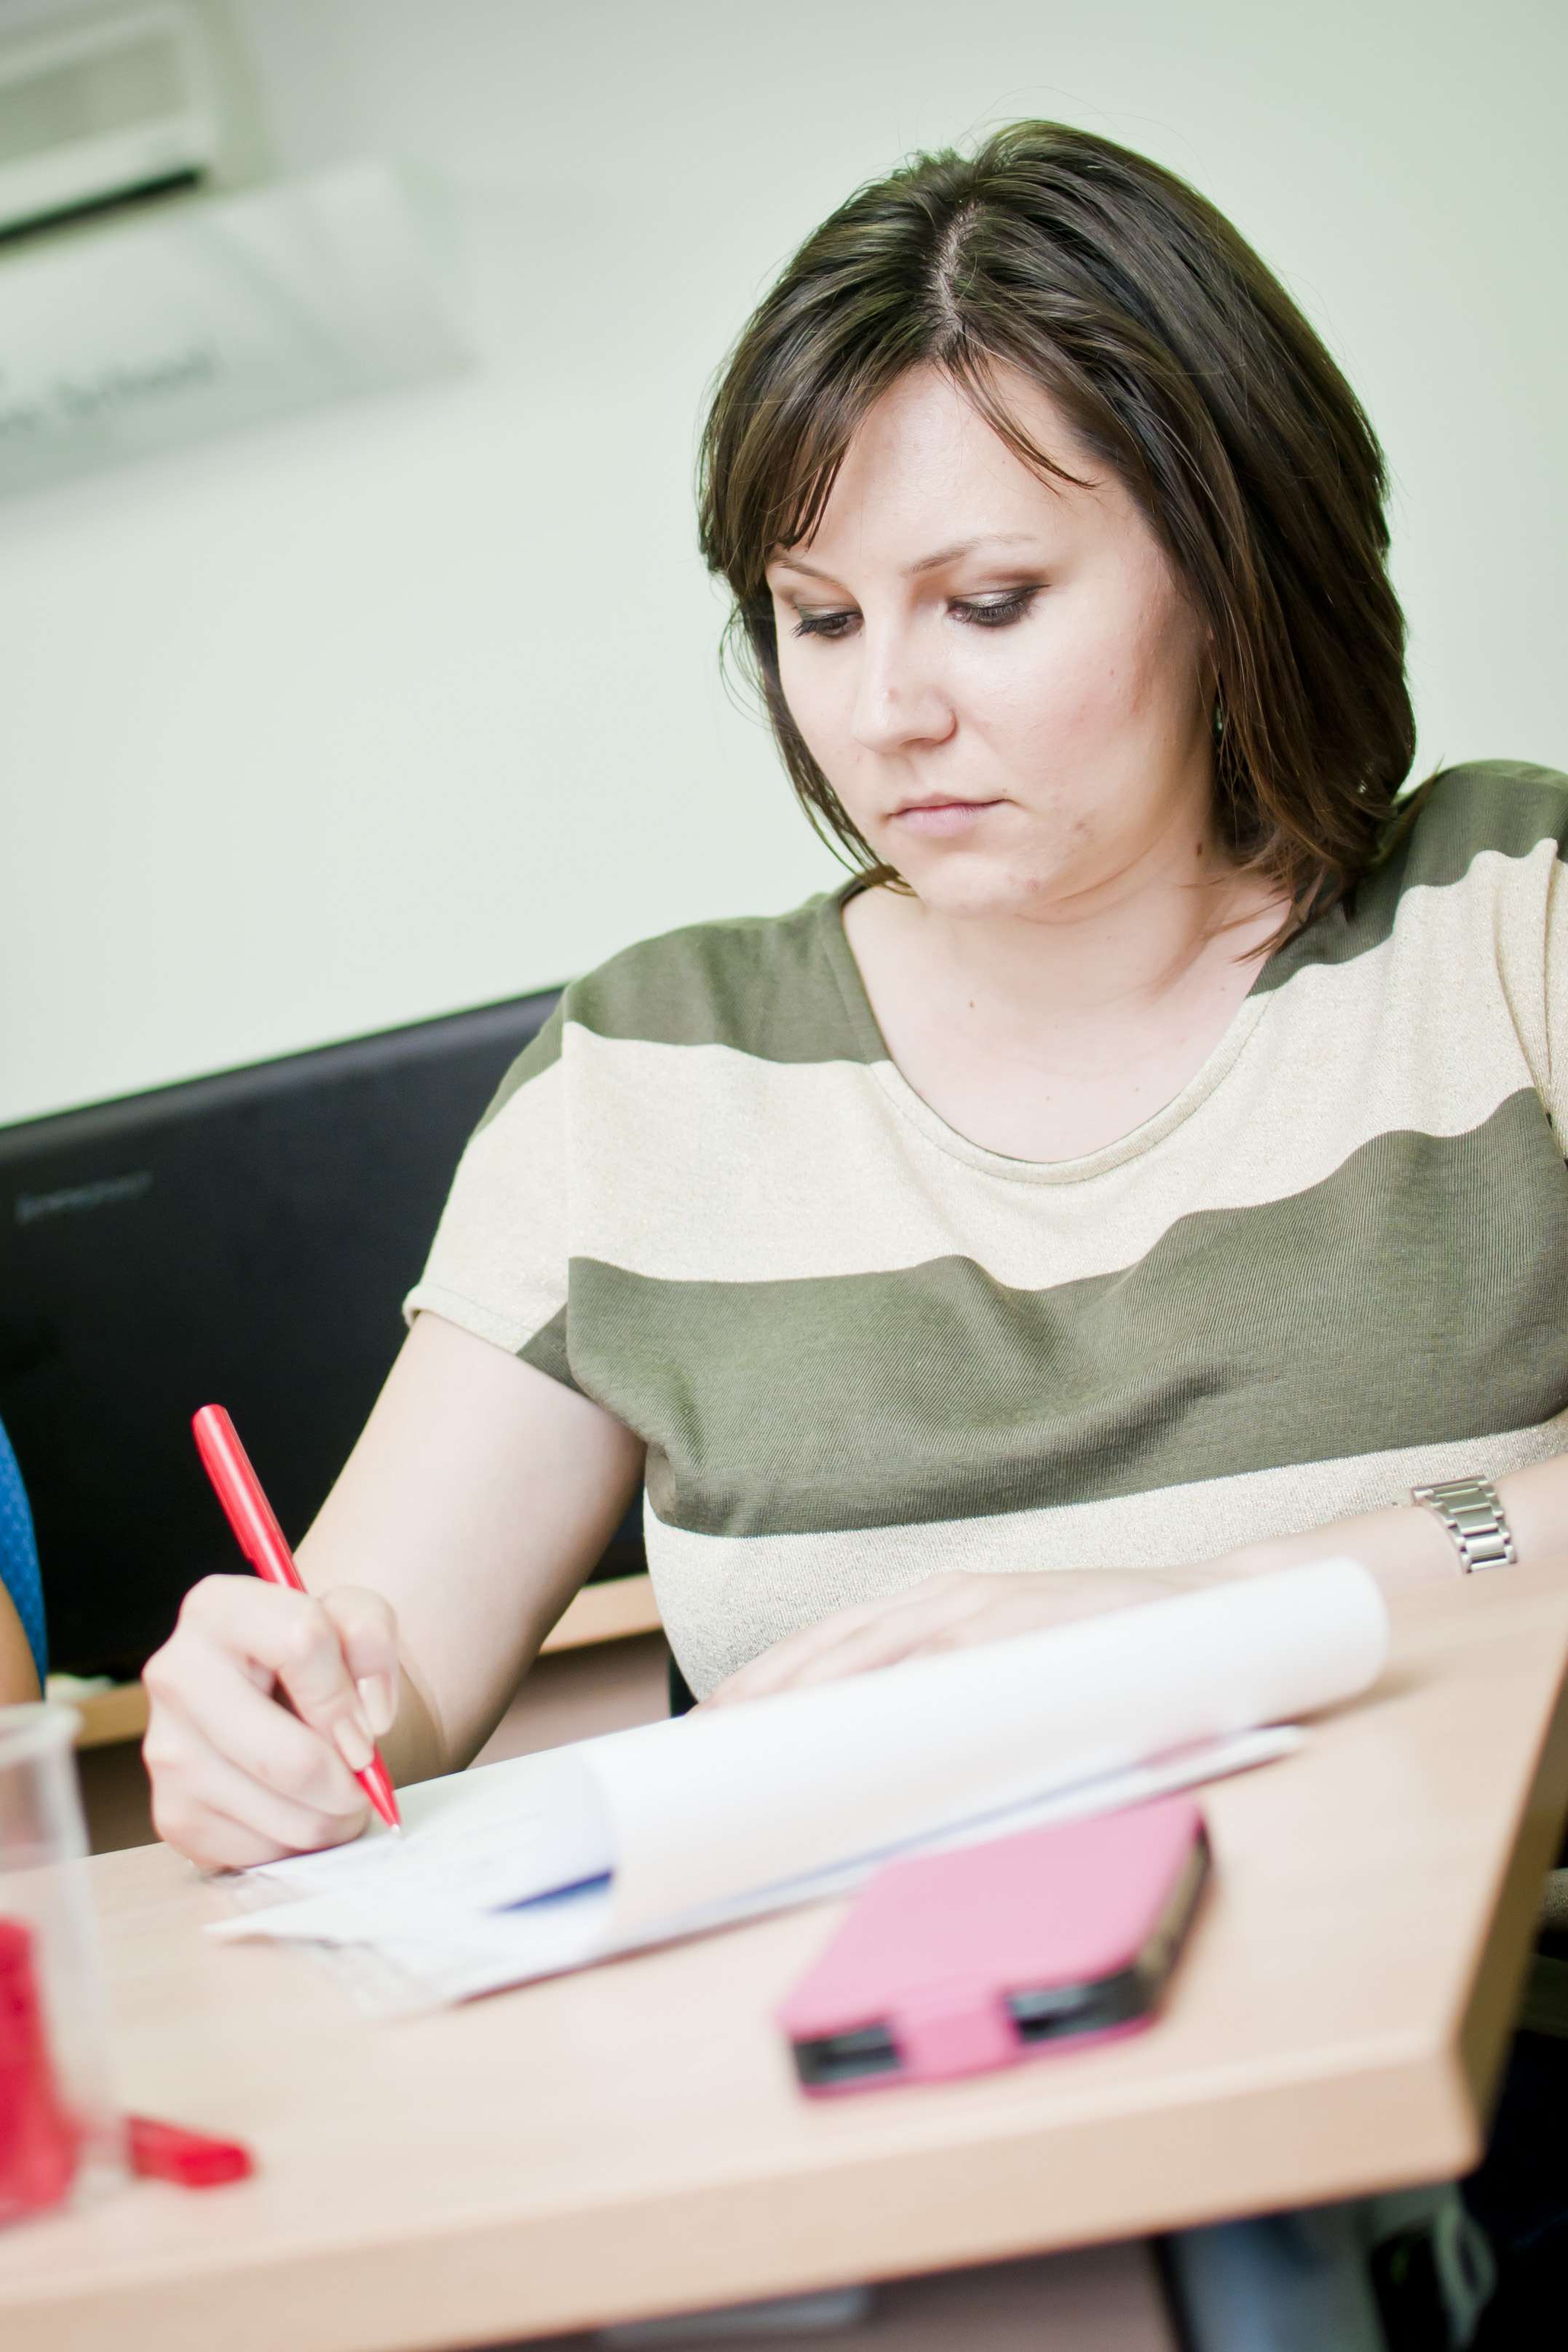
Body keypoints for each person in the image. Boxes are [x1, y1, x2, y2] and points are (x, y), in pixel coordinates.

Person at [141, 119, 1565, 1867]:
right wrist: (262, 1736)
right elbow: (372, 1678)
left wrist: (1209, 1623)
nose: (888, 711)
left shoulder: (1515, 914)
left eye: (988, 603)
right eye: (818, 620)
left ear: (1232, 571)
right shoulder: (646, 1075)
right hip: (857, 2020)